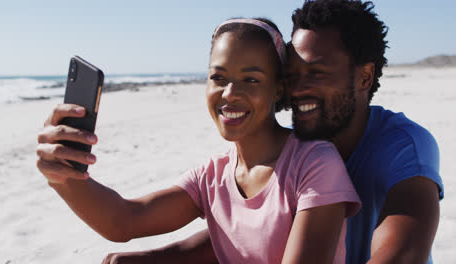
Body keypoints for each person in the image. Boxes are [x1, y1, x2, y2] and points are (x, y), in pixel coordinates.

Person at [103, 1, 444, 263]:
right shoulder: (296, 143)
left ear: (364, 78)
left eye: (317, 73)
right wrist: (154, 259)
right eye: (292, 75)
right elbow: (251, 229)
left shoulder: (403, 145)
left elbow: (403, 255)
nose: (297, 89)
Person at [36, 17, 361, 264]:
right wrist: (63, 178)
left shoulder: (315, 163)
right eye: (218, 78)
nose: (230, 94)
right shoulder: (212, 176)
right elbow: (123, 220)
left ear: (277, 89)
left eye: (251, 79)